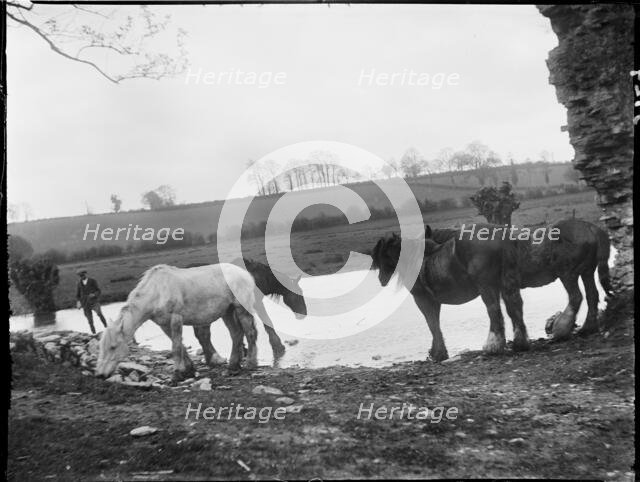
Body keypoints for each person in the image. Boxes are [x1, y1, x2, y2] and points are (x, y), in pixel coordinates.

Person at [76, 269, 107, 334]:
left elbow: (98, 290)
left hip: (94, 302)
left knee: (99, 313)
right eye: (80, 276)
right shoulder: (79, 283)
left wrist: (94, 294)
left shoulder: (92, 281)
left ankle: (107, 328)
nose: (82, 277)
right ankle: (94, 334)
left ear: (85, 274)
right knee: (90, 321)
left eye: (83, 275)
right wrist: (78, 302)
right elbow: (77, 295)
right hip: (85, 304)